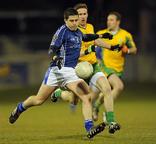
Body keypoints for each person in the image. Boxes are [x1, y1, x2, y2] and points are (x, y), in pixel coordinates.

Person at [8, 8, 113, 139]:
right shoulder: (62, 32)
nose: (75, 23)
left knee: (86, 96)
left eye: (76, 20)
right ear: (65, 20)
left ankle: (89, 128)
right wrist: (55, 58)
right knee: (38, 100)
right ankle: (19, 108)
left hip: (69, 72)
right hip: (57, 70)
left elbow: (86, 37)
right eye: (71, 21)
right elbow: (52, 49)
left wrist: (101, 36)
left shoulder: (78, 32)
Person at [51, 3, 121, 134]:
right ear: (76, 16)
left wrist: (111, 46)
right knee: (74, 100)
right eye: (80, 14)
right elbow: (75, 53)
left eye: (85, 14)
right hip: (78, 69)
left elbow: (95, 41)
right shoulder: (72, 32)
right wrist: (89, 50)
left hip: (93, 66)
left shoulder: (90, 27)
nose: (83, 17)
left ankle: (111, 122)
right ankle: (58, 93)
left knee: (106, 88)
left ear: (87, 14)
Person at [93, 11, 137, 121]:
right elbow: (95, 51)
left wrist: (127, 50)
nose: (109, 22)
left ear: (118, 22)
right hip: (104, 66)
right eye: (108, 20)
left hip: (118, 69)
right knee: (119, 86)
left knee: (106, 92)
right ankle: (108, 113)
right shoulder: (101, 34)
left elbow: (134, 50)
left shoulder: (125, 35)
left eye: (111, 20)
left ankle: (96, 106)